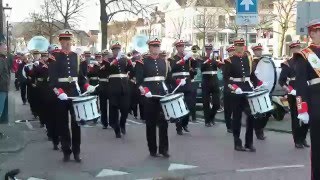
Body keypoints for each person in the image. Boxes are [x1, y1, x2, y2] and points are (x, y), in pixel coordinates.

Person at [48, 31, 96, 162]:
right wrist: (59, 91)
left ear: (71, 41)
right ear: (60, 42)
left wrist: (86, 86)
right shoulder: (54, 57)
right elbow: (52, 80)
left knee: (77, 123)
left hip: (75, 93)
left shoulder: (77, 56)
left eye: (68, 40)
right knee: (63, 124)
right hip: (62, 94)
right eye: (64, 40)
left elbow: (81, 78)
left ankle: (76, 151)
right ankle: (66, 150)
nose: (67, 43)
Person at [224, 38, 265, 152]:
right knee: (236, 117)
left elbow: (251, 76)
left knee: (251, 116)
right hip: (236, 90)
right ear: (235, 46)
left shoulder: (249, 58)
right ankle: (237, 142)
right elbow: (226, 79)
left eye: (242, 45)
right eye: (238, 45)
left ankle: (249, 143)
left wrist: (259, 83)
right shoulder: (229, 60)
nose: (240, 47)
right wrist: (234, 87)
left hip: (247, 89)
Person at [292, 19, 320, 179]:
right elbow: (301, 84)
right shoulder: (304, 55)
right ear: (312, 33)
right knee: (317, 148)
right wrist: (302, 108)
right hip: (316, 103)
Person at [135, 38, 171, 157]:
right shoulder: (142, 62)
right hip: (149, 95)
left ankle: (164, 149)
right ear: (149, 48)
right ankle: (152, 149)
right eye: (154, 46)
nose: (156, 48)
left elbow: (166, 79)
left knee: (164, 123)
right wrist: (145, 91)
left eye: (157, 46)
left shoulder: (164, 62)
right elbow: (139, 81)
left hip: (161, 94)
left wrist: (176, 83)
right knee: (150, 123)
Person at [278, 40, 309, 149]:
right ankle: (297, 140)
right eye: (295, 48)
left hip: (305, 91)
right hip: (294, 92)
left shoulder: (306, 60)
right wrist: (289, 90)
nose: (297, 49)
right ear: (291, 50)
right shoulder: (288, 63)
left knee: (307, 116)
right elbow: (281, 81)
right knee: (295, 117)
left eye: (298, 47)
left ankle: (303, 137)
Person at [169, 40, 197, 135]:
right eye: (180, 47)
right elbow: (173, 69)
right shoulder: (173, 58)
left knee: (189, 105)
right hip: (178, 84)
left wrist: (192, 58)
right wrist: (184, 59)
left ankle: (185, 123)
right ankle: (179, 127)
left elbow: (195, 66)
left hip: (187, 83)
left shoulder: (188, 58)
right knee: (179, 107)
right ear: (177, 48)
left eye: (183, 47)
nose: (182, 48)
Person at [107, 42, 133, 138]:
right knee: (114, 109)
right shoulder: (108, 60)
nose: (117, 51)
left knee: (125, 108)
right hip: (113, 87)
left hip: (124, 87)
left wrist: (129, 61)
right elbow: (107, 68)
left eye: (118, 49)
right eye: (115, 50)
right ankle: (117, 129)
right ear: (112, 51)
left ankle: (122, 123)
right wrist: (116, 59)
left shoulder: (124, 60)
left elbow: (131, 71)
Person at [250, 43, 270, 140]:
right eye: (257, 50)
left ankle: (260, 128)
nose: (259, 52)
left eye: (260, 50)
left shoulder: (265, 61)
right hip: (256, 89)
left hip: (265, 89)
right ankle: (258, 130)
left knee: (268, 111)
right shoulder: (252, 62)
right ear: (254, 51)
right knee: (258, 112)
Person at [200, 44, 221, 127]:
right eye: (207, 49)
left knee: (217, 104)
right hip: (206, 82)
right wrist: (206, 61)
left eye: (210, 49)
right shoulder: (202, 59)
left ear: (212, 50)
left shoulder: (215, 59)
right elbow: (201, 68)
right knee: (206, 103)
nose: (209, 50)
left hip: (215, 82)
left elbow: (221, 66)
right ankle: (207, 121)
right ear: (205, 50)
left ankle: (211, 117)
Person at [222, 46, 235, 133]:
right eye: (230, 52)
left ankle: (234, 125)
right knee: (228, 109)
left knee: (235, 108)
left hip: (237, 86)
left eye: (233, 51)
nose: (232, 53)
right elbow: (225, 75)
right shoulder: (226, 62)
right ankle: (229, 126)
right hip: (228, 87)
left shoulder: (237, 61)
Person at [128, 50, 143, 119]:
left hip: (139, 82)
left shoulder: (141, 62)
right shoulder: (131, 61)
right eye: (134, 54)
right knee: (133, 99)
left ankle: (141, 115)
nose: (136, 55)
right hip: (132, 83)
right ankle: (135, 113)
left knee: (140, 99)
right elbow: (130, 72)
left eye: (137, 54)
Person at [98, 50, 110, 129]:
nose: (105, 57)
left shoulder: (110, 64)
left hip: (110, 86)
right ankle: (104, 122)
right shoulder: (100, 64)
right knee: (103, 106)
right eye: (104, 55)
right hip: (102, 86)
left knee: (113, 105)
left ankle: (112, 121)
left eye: (106, 55)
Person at [0, 41, 10, 124]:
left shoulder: (3, 59)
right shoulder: (1, 60)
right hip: (1, 88)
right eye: (4, 48)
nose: (6, 50)